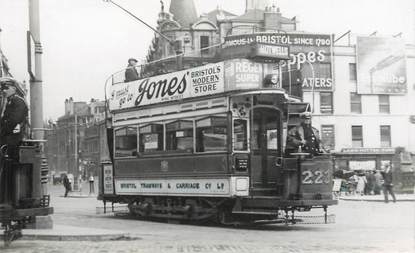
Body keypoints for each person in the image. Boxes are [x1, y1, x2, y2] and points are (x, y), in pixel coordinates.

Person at [0, 78, 28, 159]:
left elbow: (14, 121)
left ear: (14, 89)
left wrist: (2, 131)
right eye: (3, 89)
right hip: (9, 136)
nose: (4, 91)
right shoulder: (10, 102)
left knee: (9, 160)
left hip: (14, 137)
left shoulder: (19, 102)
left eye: (6, 88)